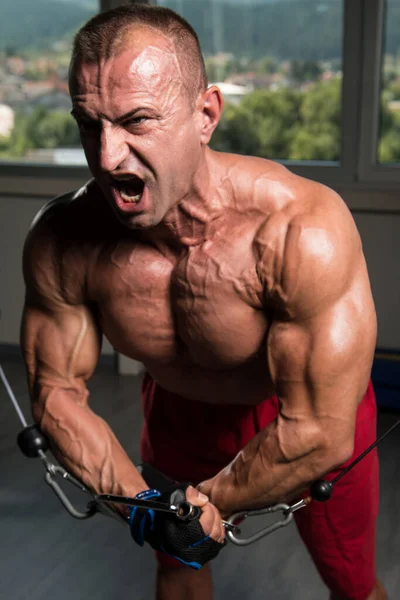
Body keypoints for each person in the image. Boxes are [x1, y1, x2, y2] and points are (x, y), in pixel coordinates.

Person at [20, 4, 387, 600]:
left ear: (205, 114)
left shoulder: (300, 229)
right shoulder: (63, 240)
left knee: (351, 583)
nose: (108, 156)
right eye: (90, 124)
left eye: (137, 120)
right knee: (177, 566)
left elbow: (320, 427)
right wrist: (144, 507)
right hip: (176, 416)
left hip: (302, 413)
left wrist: (197, 506)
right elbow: (56, 391)